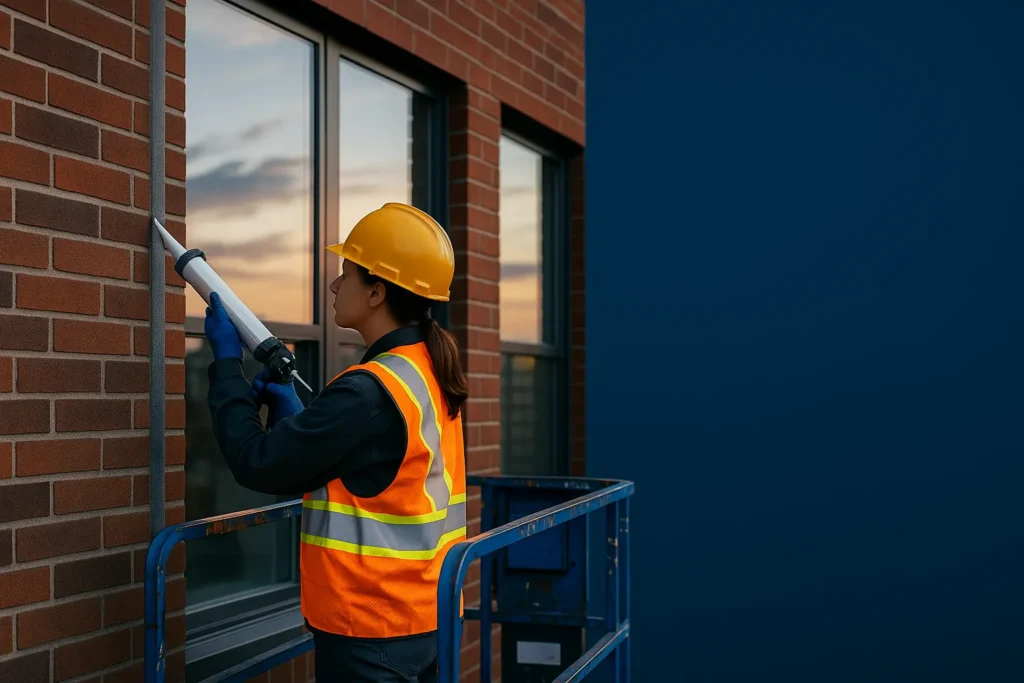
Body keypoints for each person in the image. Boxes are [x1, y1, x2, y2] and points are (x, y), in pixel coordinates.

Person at [202, 202, 468, 682]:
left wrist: (224, 366)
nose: (332, 285)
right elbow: (376, 465)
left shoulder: (370, 390)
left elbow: (256, 463)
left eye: (345, 274)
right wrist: (297, 419)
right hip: (428, 618)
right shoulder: (425, 367)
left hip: (372, 634)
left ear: (375, 291)